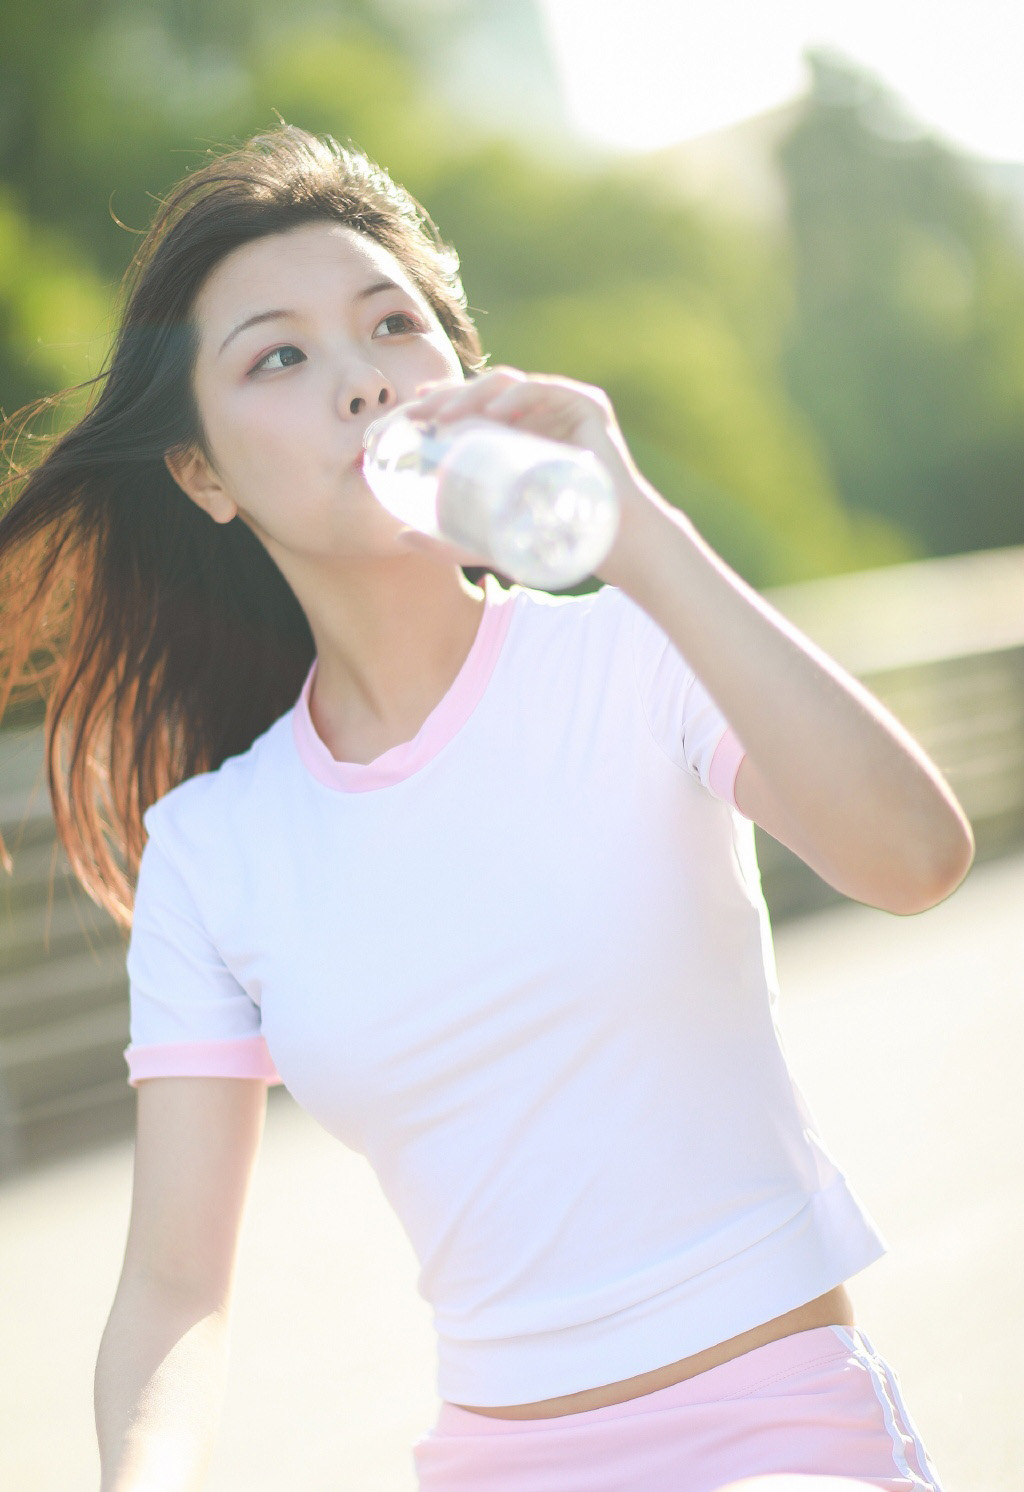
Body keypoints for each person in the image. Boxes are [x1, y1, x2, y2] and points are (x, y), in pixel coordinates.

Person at [0, 124, 971, 1492]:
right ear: (202, 474)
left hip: (780, 1433)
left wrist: (633, 527)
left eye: (392, 325)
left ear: (464, 371)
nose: (361, 382)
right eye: (280, 355)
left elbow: (918, 856)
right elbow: (173, 1293)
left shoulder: (633, 652)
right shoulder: (214, 853)